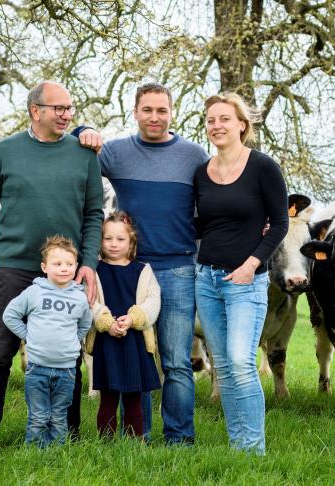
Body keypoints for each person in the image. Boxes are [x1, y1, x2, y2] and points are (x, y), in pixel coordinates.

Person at [0, 81, 104, 445]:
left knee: (67, 354)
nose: (66, 115)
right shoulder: (4, 152)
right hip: (13, 268)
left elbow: (94, 214)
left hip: (65, 271)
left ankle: (67, 435)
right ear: (35, 111)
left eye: (69, 108)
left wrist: (87, 263)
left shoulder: (84, 155)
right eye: (58, 108)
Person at [78, 83, 209, 444]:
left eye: (162, 110)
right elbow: (78, 157)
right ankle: (141, 436)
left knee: (176, 362)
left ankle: (179, 438)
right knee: (138, 357)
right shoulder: (117, 153)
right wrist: (81, 131)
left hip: (178, 268)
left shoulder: (194, 155)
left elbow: (218, 197)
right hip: (129, 272)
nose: (155, 117)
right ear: (135, 112)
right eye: (147, 110)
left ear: (172, 112)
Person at [193, 92, 288, 455]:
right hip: (208, 280)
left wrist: (252, 264)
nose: (217, 125)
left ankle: (254, 449)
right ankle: (239, 446)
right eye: (211, 120)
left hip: (246, 282)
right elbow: (201, 225)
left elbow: (279, 223)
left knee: (240, 361)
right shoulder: (202, 172)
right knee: (224, 367)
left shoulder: (263, 167)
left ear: (242, 125)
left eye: (224, 119)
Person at [2, 236, 92, 447]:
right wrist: (28, 336)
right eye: (57, 264)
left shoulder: (79, 298)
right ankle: (34, 451)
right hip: (37, 367)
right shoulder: (34, 292)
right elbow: (10, 315)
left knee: (59, 416)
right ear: (44, 267)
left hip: (66, 369)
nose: (64, 269)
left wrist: (72, 342)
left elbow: (85, 325)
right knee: (39, 416)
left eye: (69, 264)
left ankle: (56, 453)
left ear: (76, 266)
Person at [84, 212, 162, 438]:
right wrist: (106, 323)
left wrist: (133, 318)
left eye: (120, 239)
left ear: (131, 242)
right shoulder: (95, 271)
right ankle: (106, 443)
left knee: (133, 398)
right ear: (100, 241)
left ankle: (134, 441)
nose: (114, 244)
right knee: (107, 398)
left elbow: (153, 299)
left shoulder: (142, 270)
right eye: (108, 239)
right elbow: (90, 301)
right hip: (107, 341)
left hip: (134, 341)